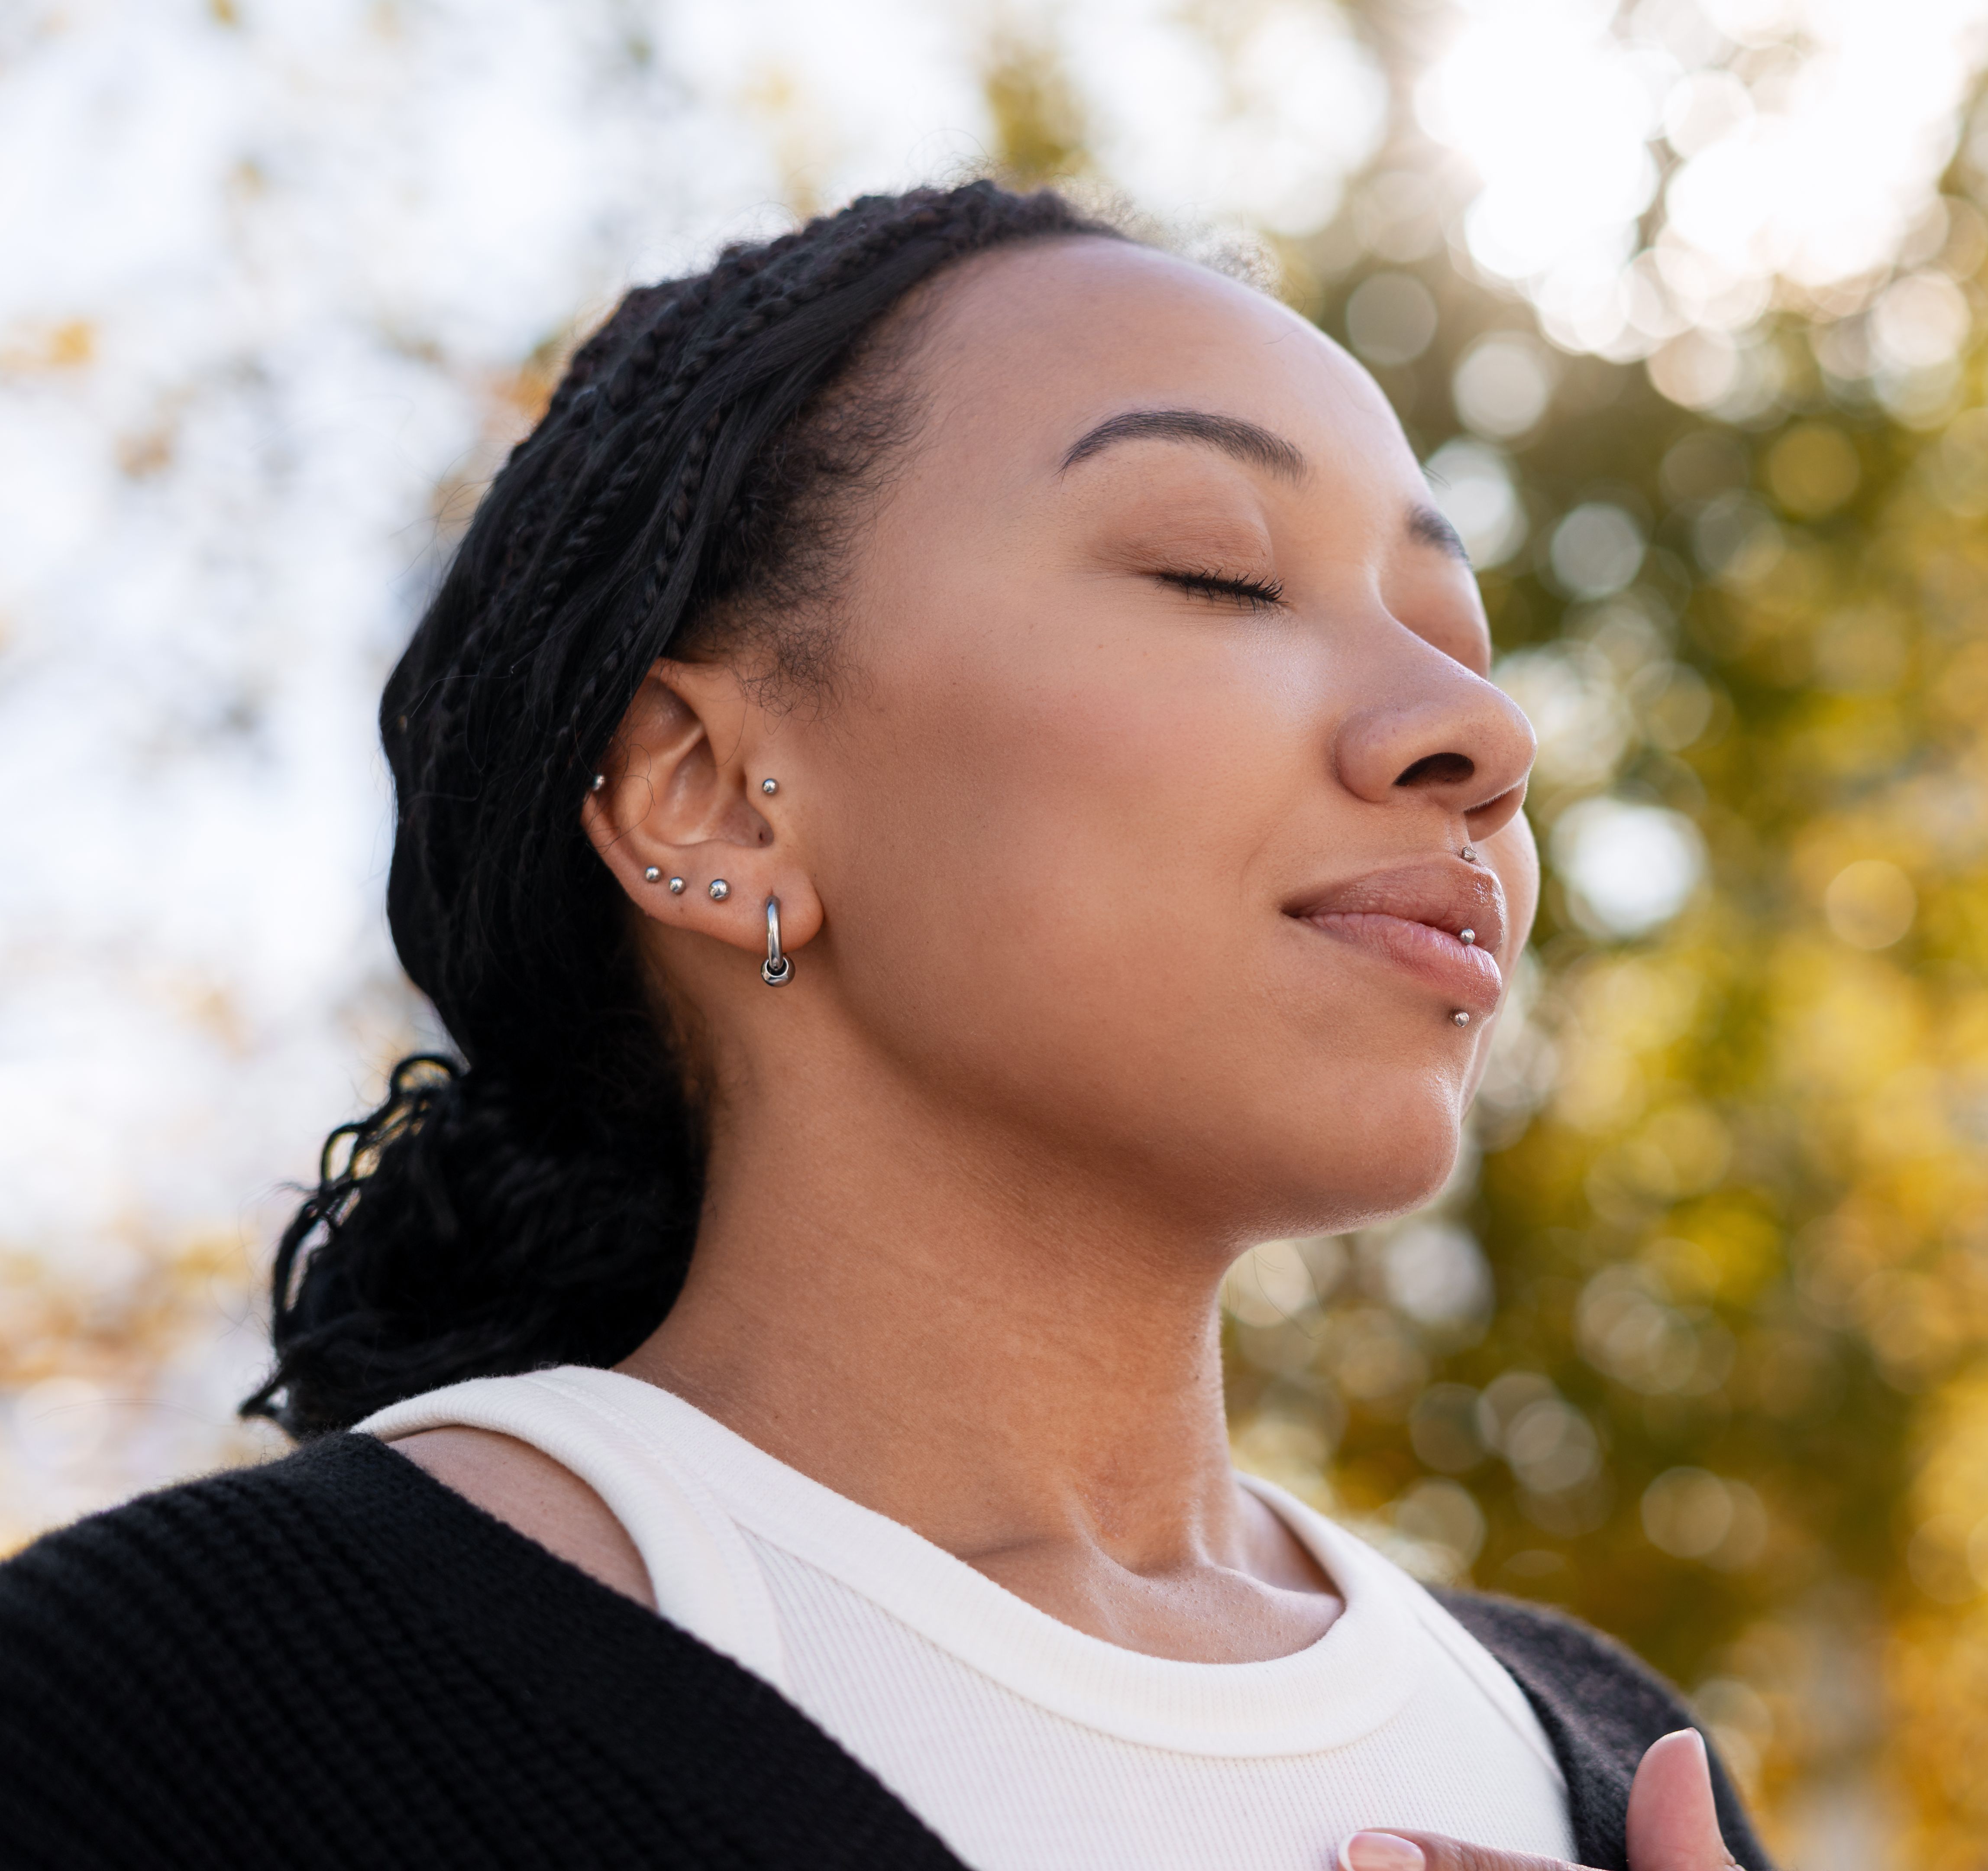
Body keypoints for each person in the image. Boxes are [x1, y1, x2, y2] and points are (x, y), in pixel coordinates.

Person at [0, 180, 1773, 1871]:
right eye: (1216, 573)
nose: (1481, 735)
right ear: (716, 800)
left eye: (1460, 631)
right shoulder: (150, 1732)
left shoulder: (1605, 1765)